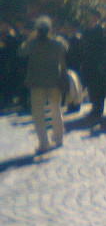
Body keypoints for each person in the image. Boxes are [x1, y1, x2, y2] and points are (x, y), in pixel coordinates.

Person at [18, 16, 67, 154]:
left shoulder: (32, 44)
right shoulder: (57, 43)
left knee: (38, 113)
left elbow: (21, 52)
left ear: (37, 31)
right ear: (49, 30)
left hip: (36, 83)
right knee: (55, 110)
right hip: (54, 81)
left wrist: (29, 39)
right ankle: (58, 138)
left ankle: (44, 143)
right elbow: (65, 49)